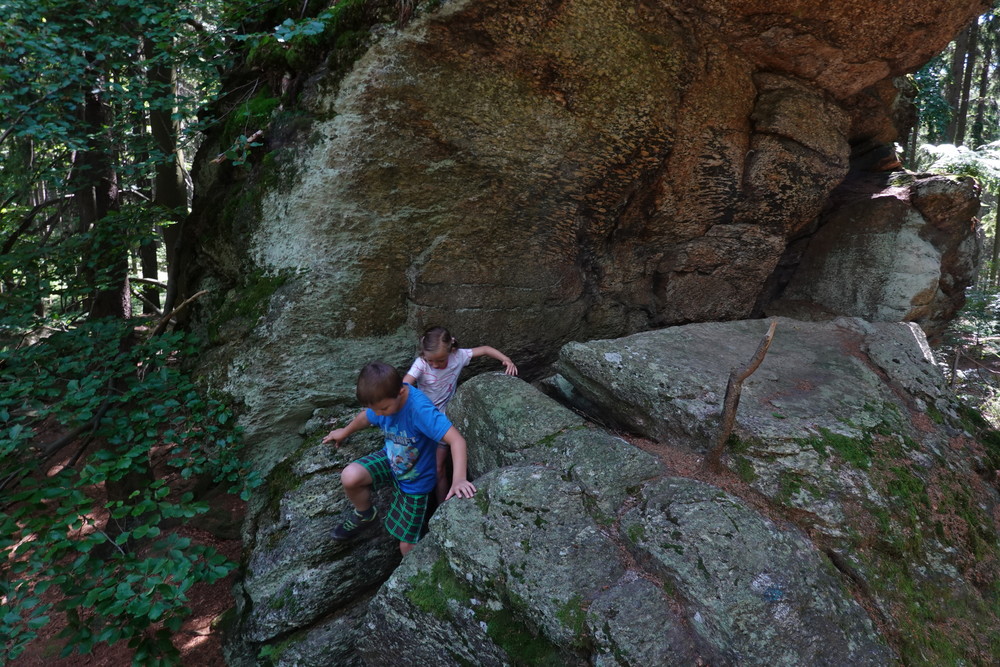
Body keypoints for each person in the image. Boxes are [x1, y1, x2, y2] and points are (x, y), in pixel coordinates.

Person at [323, 361, 476, 556]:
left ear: (401, 392)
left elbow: (457, 440)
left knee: (406, 546)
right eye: (376, 409)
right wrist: (344, 432)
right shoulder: (383, 403)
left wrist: (459, 479)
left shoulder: (419, 410)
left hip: (416, 482)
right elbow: (366, 417)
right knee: (350, 476)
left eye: (384, 409)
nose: (379, 415)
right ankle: (365, 514)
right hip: (392, 459)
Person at [403, 326, 517, 502]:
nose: (434, 365)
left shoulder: (459, 357)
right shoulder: (422, 363)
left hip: (443, 421)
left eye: (440, 360)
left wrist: (506, 360)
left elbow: (485, 349)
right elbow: (405, 385)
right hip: (422, 419)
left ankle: (442, 507)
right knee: (416, 464)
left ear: (451, 350)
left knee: (439, 468)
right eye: (430, 360)